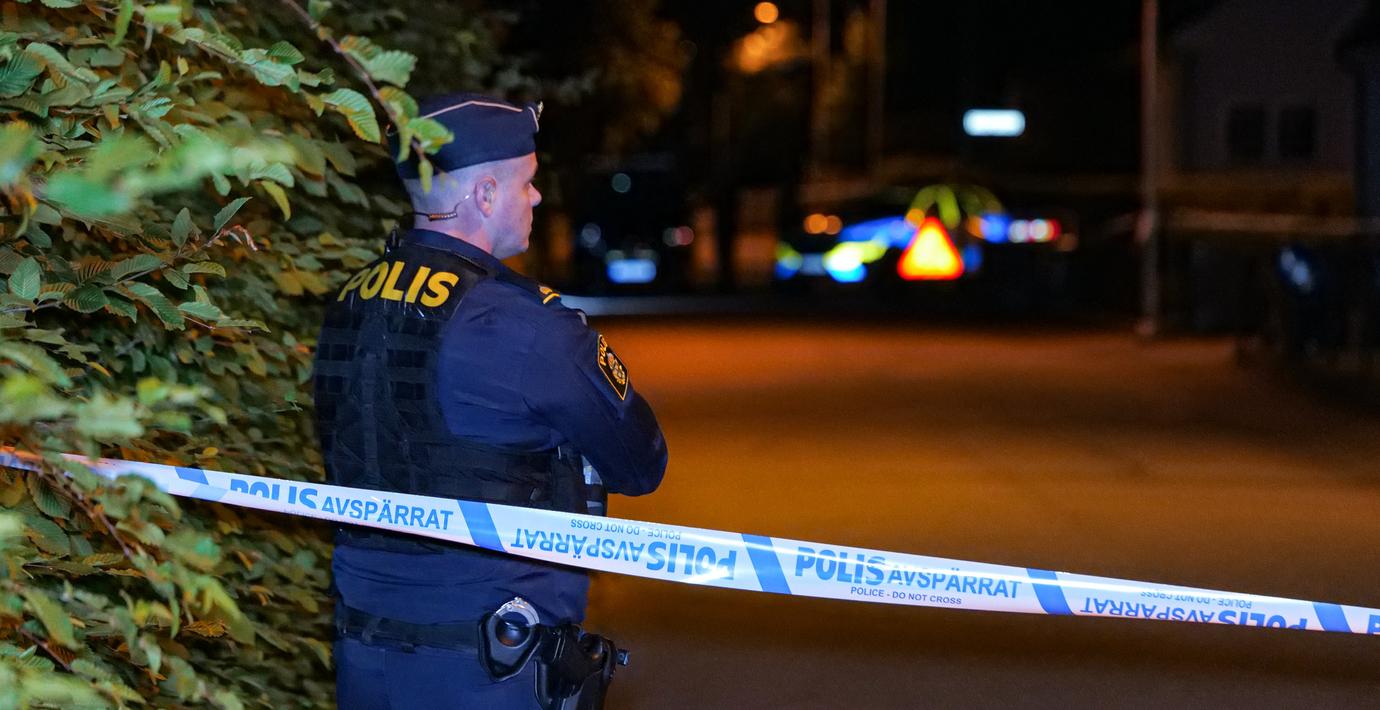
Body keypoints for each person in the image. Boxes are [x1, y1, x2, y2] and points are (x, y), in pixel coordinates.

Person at [313, 93, 668, 709]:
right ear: (484, 194)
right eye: (526, 183)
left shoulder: (349, 303)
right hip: (489, 667)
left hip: (364, 655)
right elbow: (641, 464)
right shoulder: (526, 327)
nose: (537, 197)